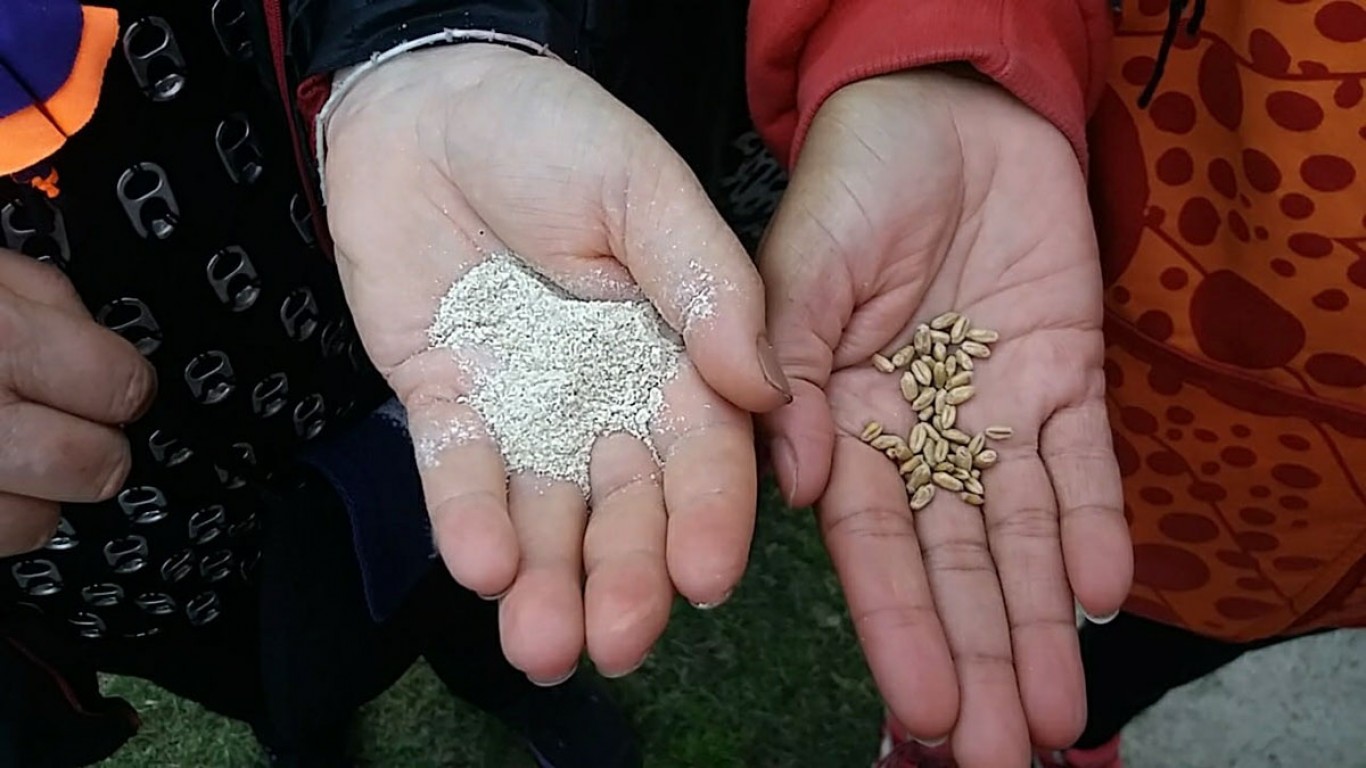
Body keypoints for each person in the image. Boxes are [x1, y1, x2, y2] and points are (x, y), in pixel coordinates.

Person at [0, 0, 790, 765]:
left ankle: (511, 686)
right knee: (257, 659)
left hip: (348, 263)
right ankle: (298, 725)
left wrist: (416, 34)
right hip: (112, 538)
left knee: (469, 555)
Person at [748, 0, 1366, 767]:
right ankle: (978, 730)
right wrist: (941, 43)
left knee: (1192, 631)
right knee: (1073, 562)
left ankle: (1083, 729)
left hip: (1315, 534)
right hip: (1110, 313)